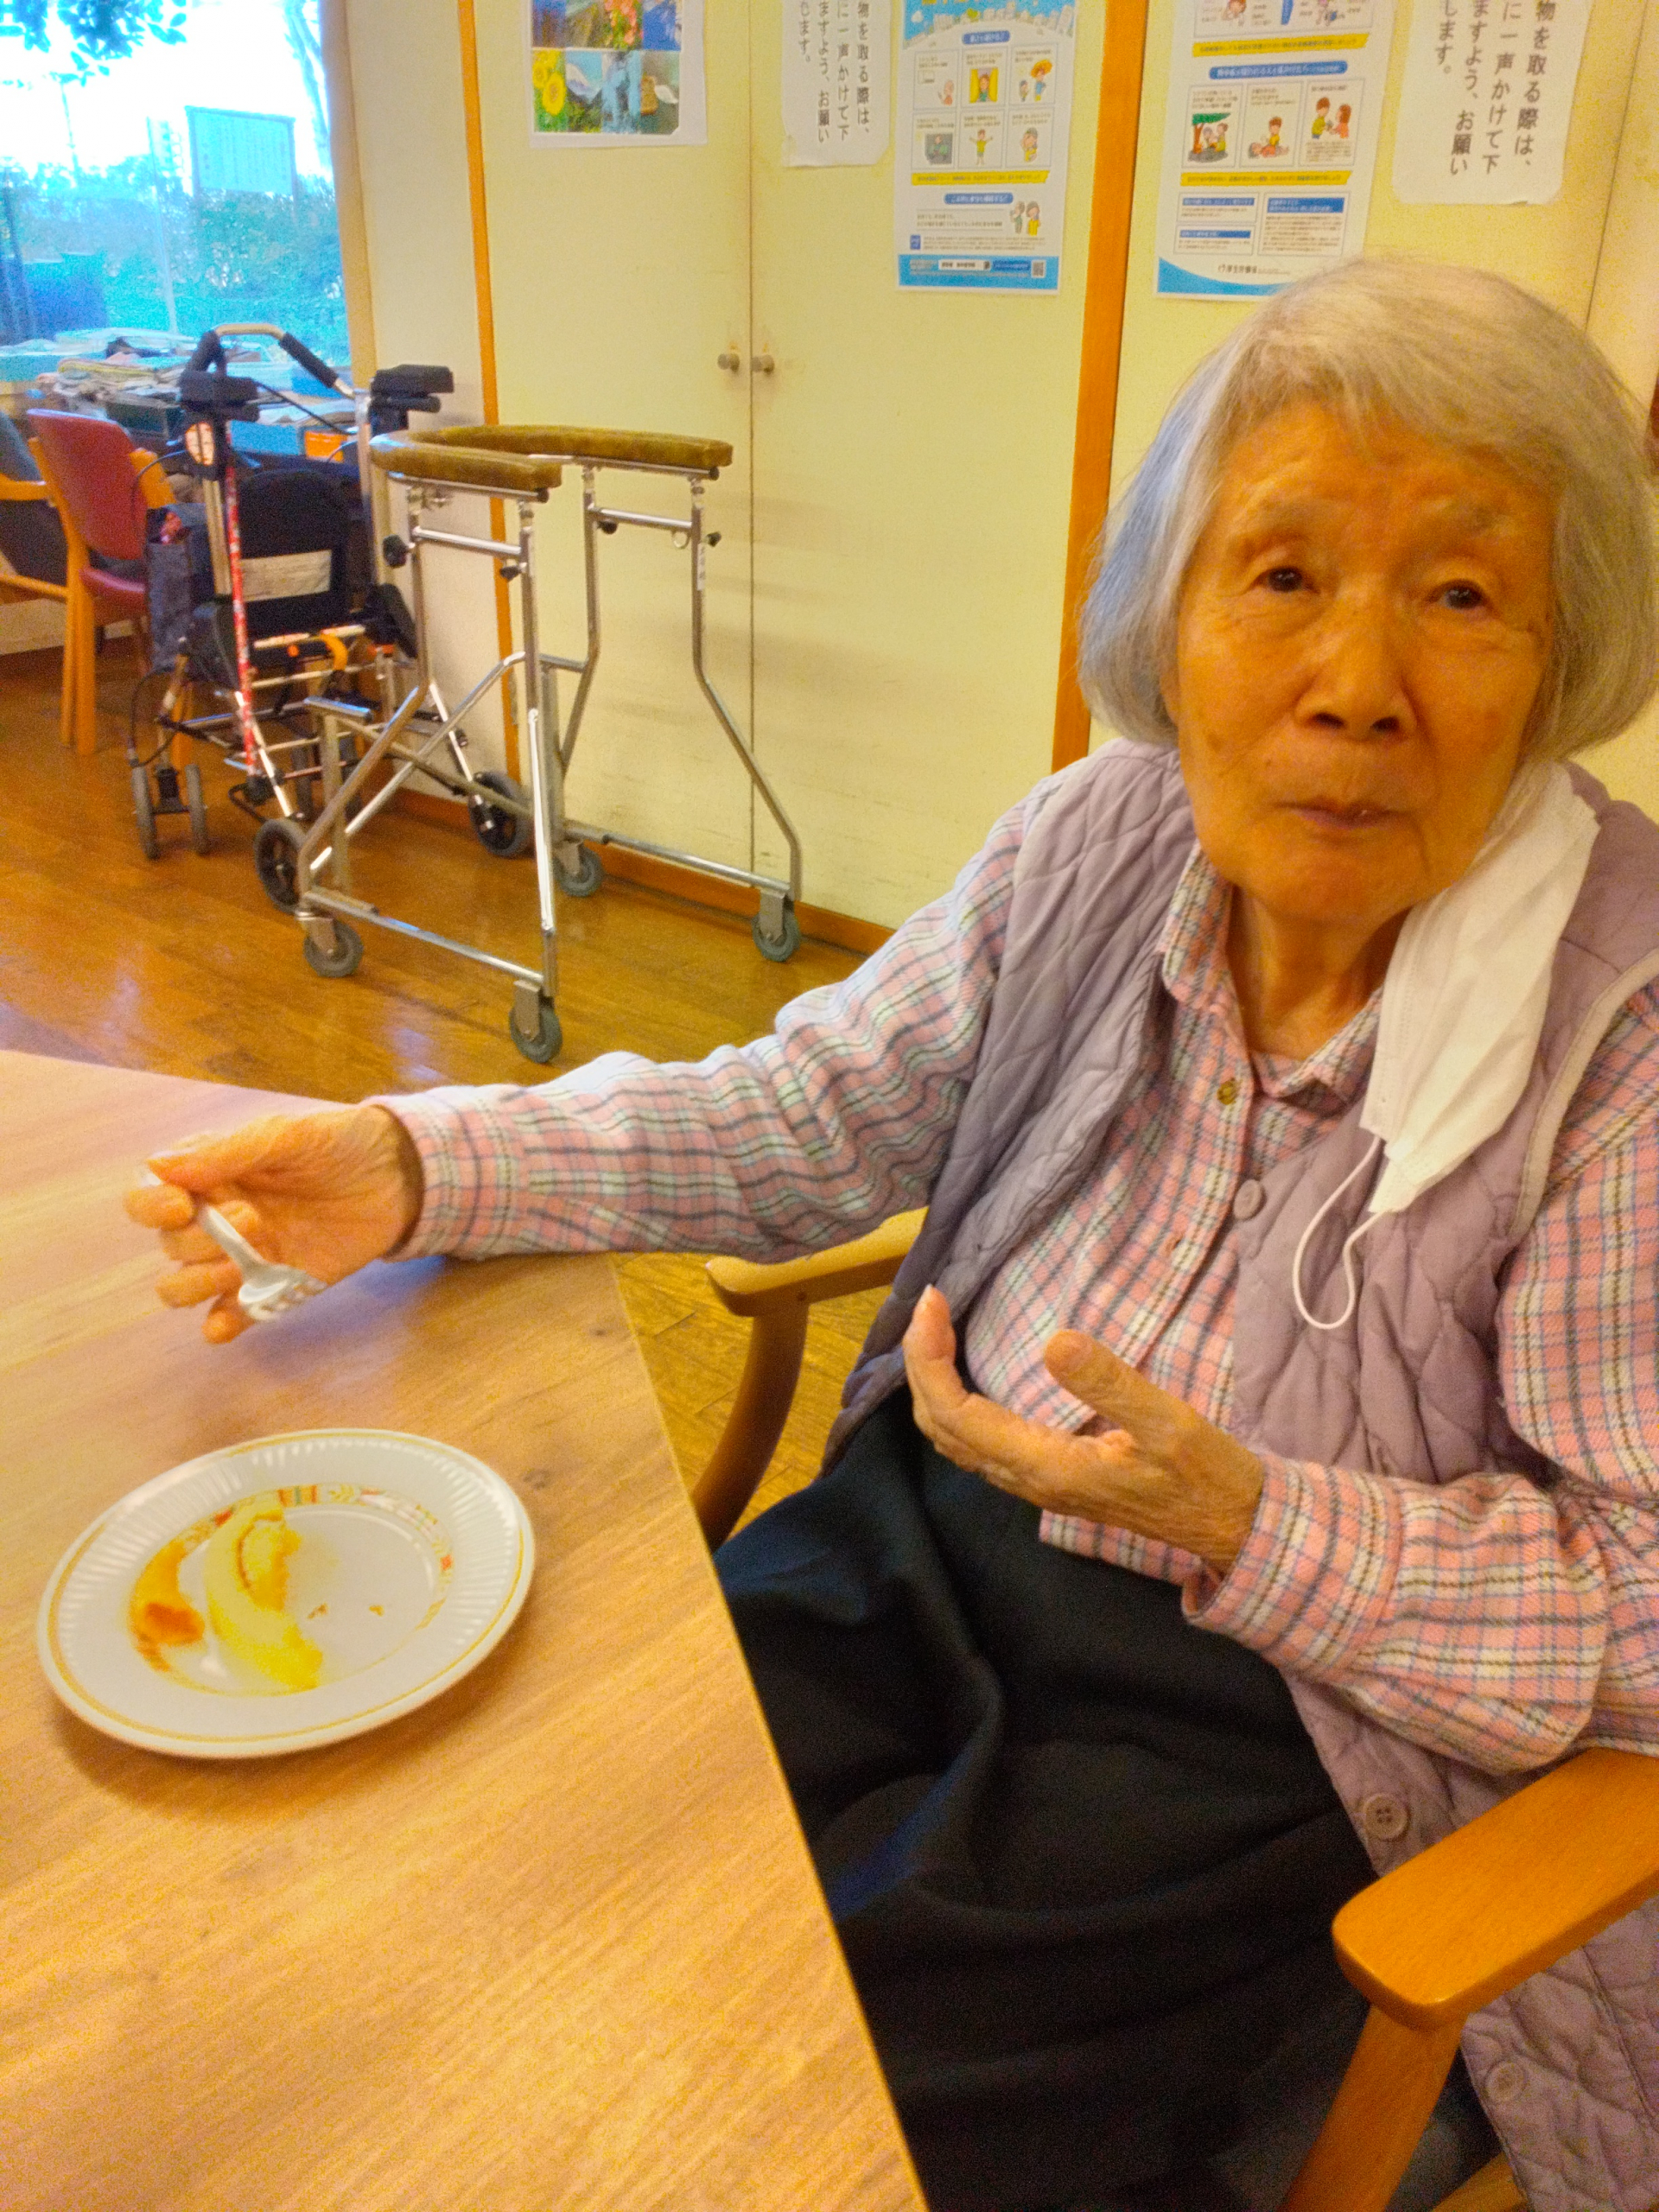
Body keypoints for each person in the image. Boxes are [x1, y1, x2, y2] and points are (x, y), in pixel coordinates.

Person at [128, 260, 1659, 2212]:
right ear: (1169, 621)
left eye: (1460, 594)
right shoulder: (1099, 839)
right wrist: (421, 1163)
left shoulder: (1624, 1035)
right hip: (919, 1537)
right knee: (549, 1867)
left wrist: (1254, 1521)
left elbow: (1645, 1601)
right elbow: (812, 1107)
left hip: (1276, 1726)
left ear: (1557, 656)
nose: (1358, 680)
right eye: (1281, 573)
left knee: (777, 2107)